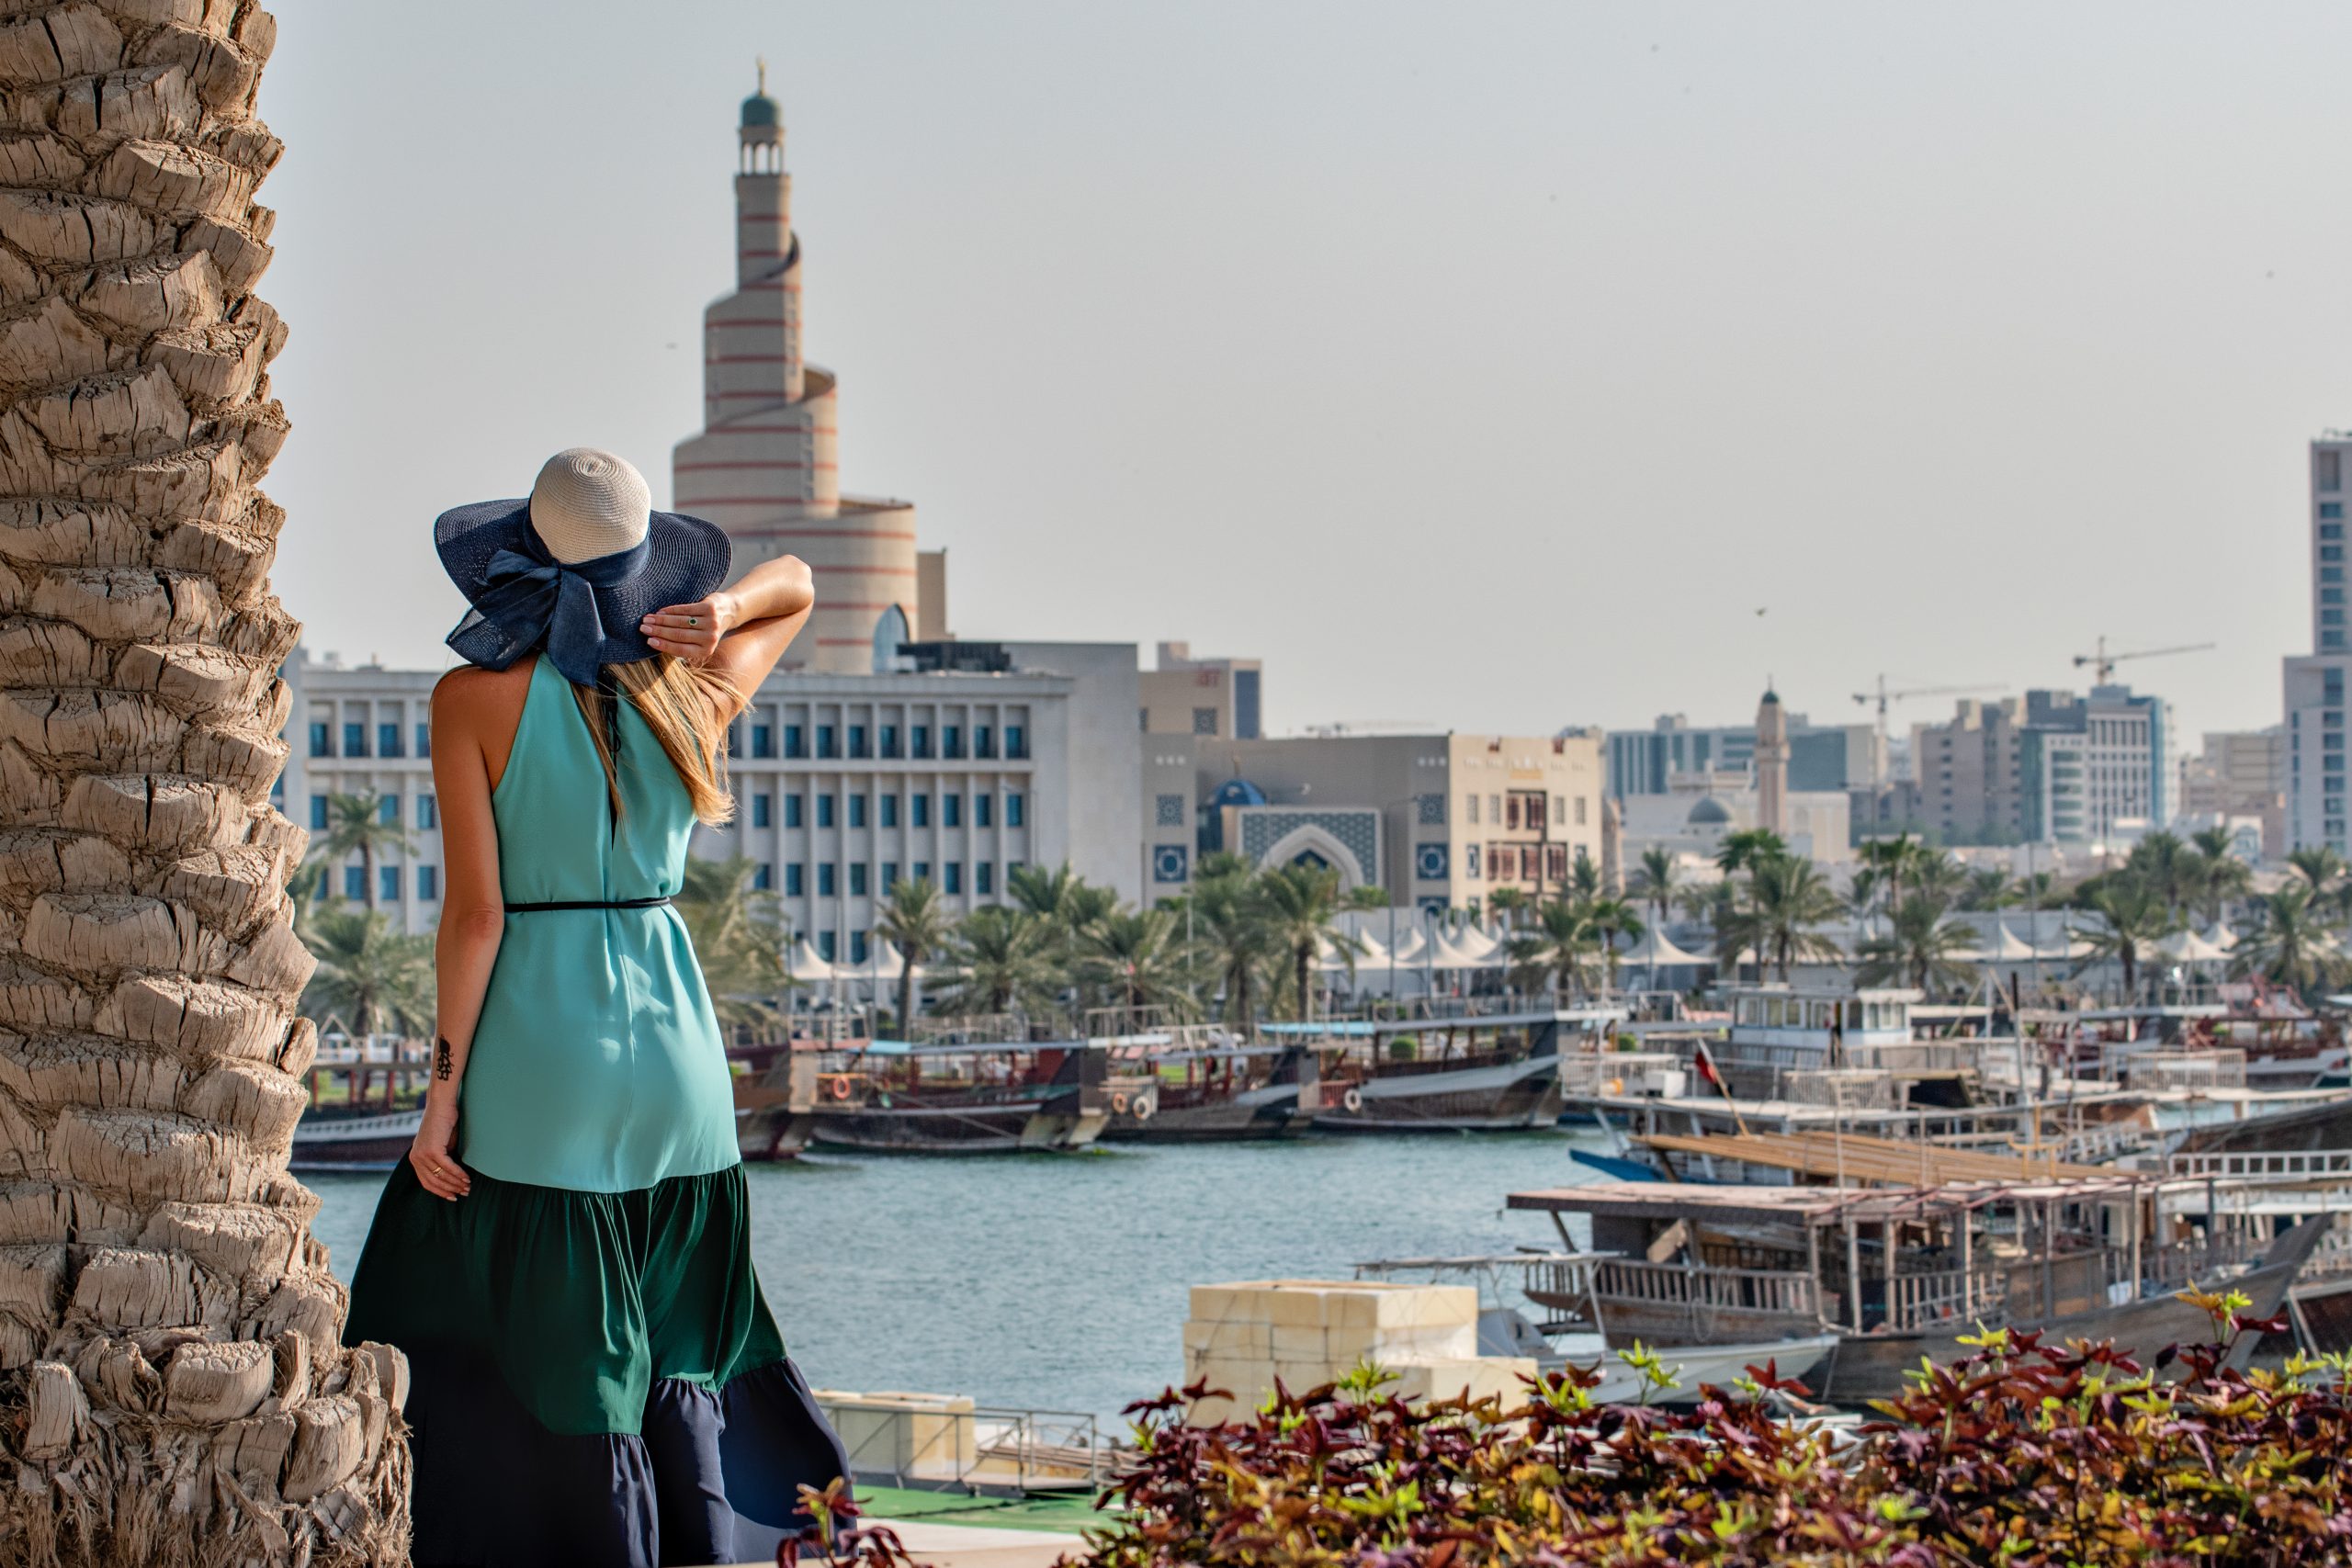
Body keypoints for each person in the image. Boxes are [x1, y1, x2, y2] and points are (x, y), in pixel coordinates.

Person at [343, 449, 842, 1567]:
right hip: (678, 1053)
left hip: (539, 1052)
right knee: (677, 1343)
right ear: (644, 570)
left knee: (549, 1351)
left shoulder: (469, 700)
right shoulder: (694, 690)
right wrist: (724, 610)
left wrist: (437, 1101)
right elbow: (801, 581)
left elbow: (475, 920)